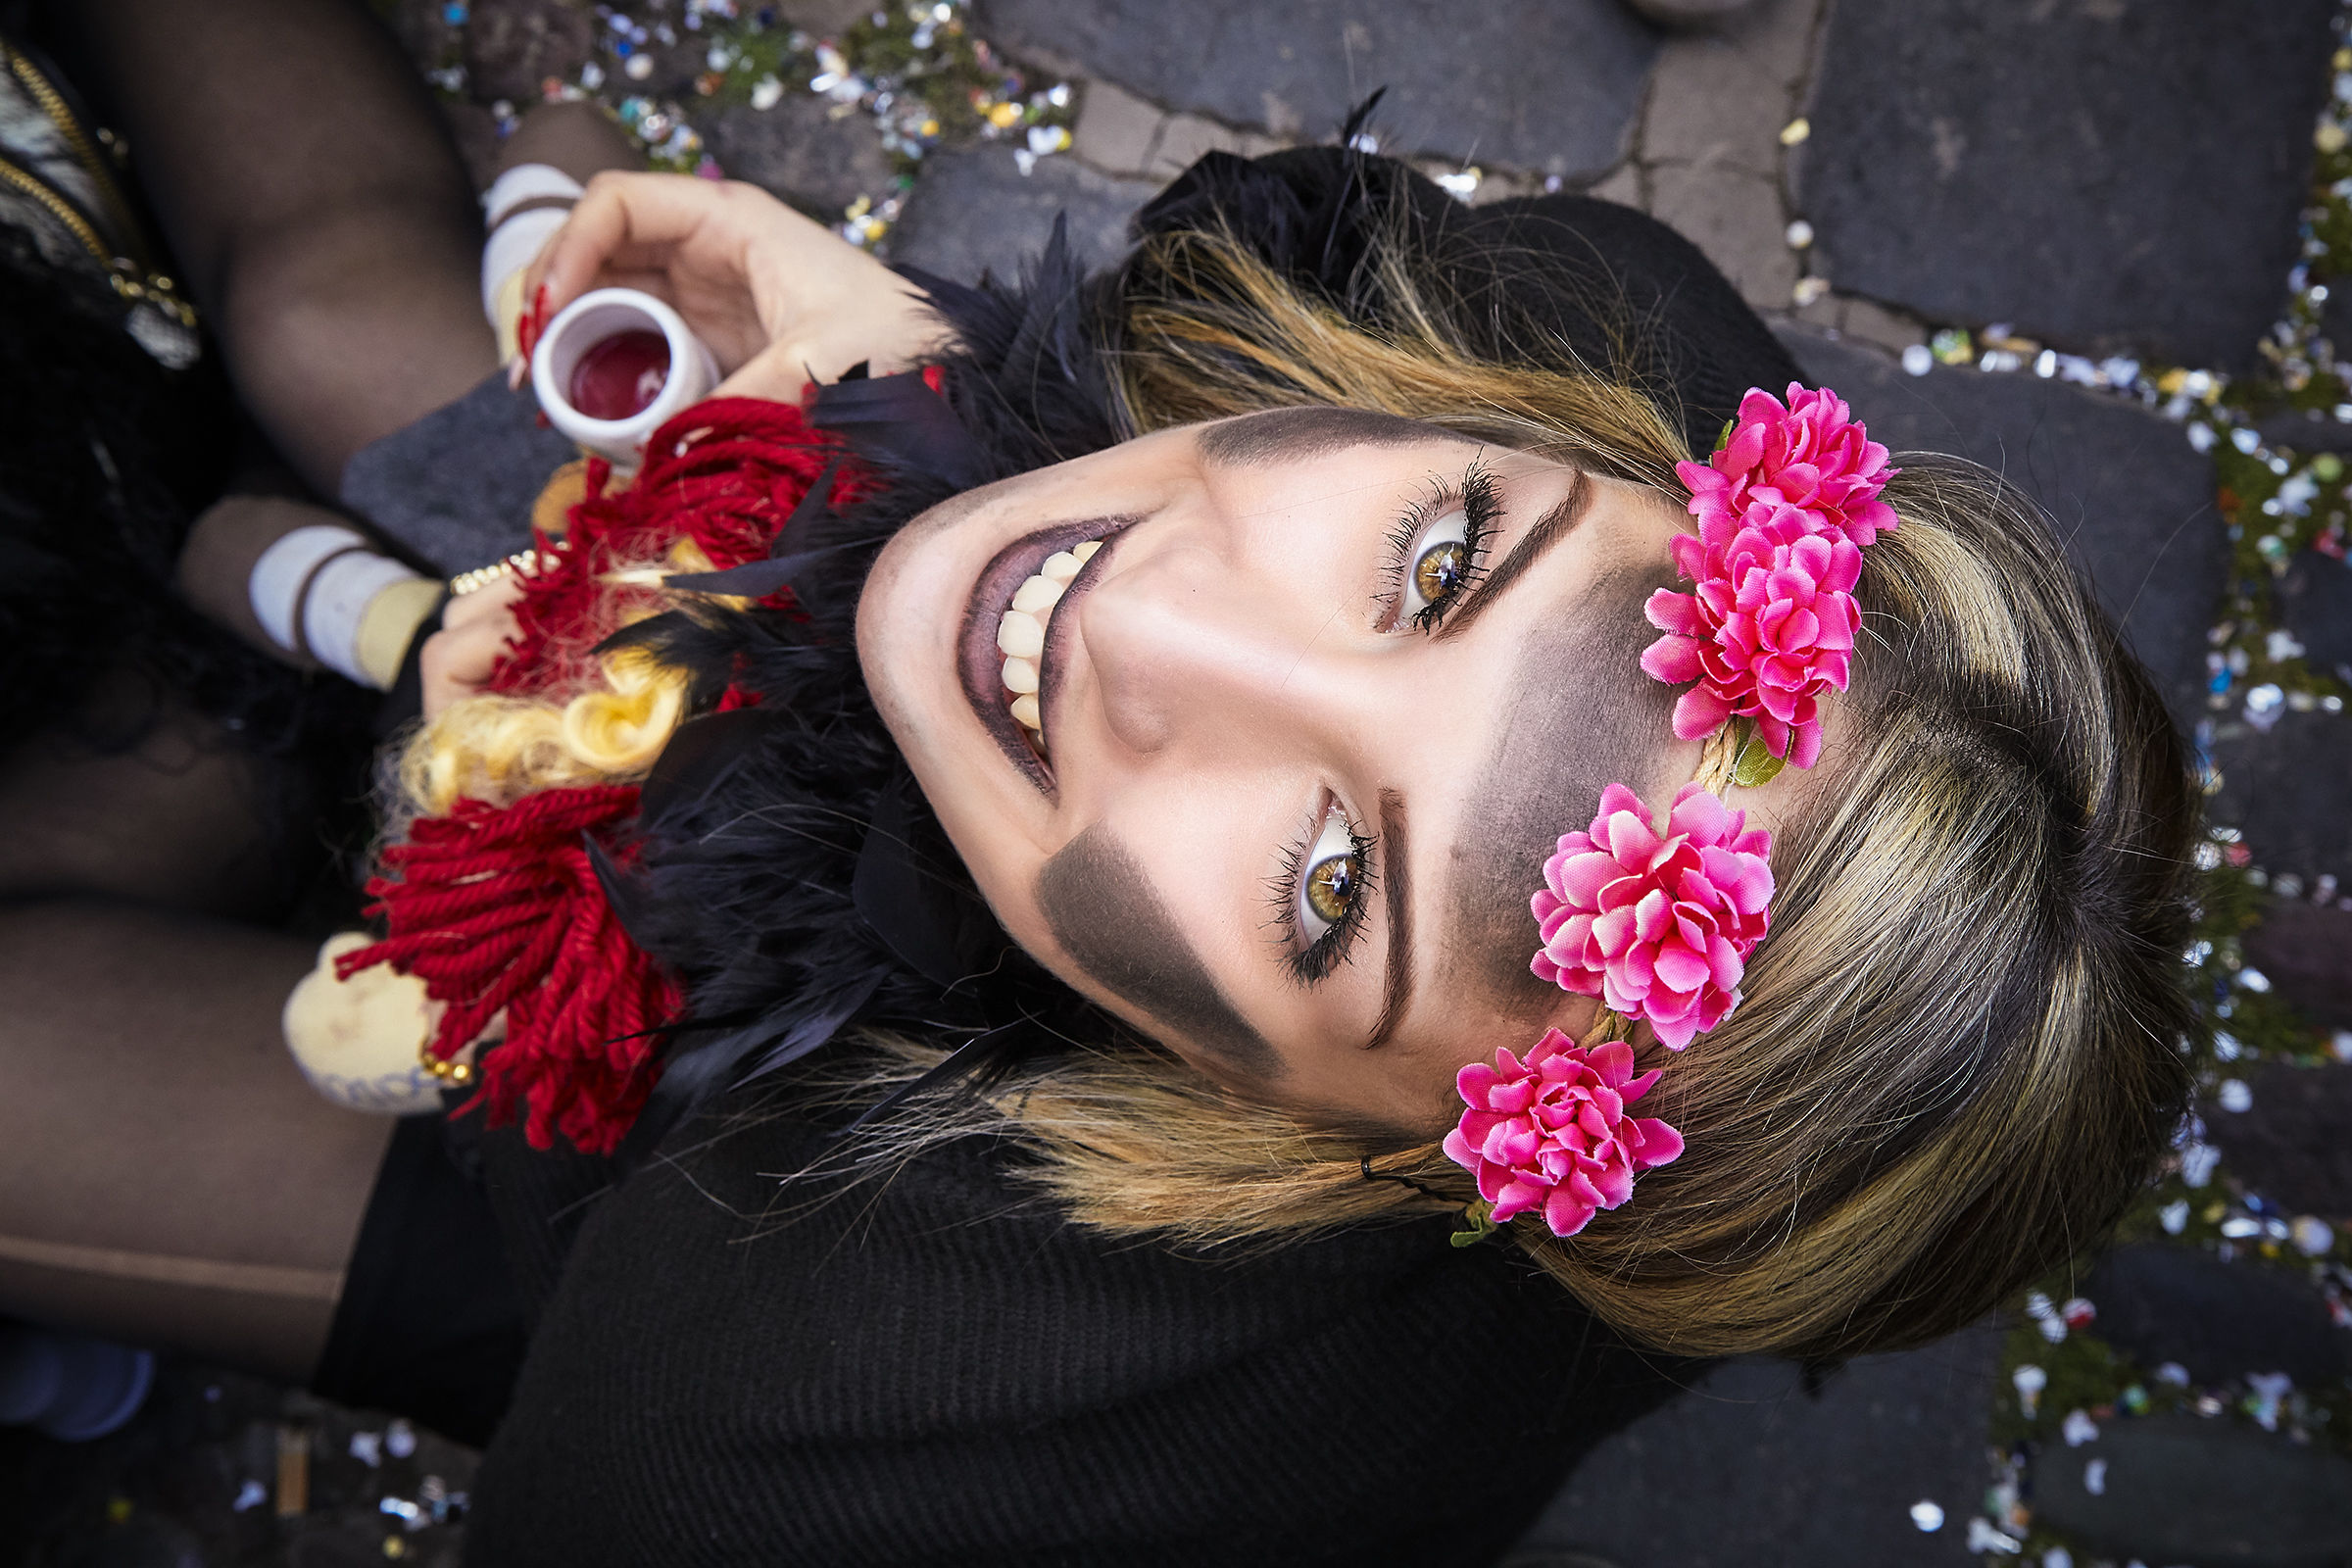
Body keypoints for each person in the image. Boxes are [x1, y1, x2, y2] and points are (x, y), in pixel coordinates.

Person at [0, 1, 2196, 1561]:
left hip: (620, 1205)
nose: (1144, 623)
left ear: (1334, 1149)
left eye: (1335, 885)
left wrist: (527, 830)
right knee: (316, 319)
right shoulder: (1611, 327)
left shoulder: (789, 1435)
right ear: (1537, 426)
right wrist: (912, 384)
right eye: (1437, 560)